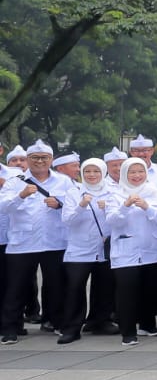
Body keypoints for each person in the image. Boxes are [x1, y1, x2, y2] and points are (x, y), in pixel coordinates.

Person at [0, 140, 71, 341]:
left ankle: (57, 322)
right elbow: (3, 207)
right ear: (28, 160)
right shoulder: (16, 181)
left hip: (54, 241)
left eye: (44, 158)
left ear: (51, 160)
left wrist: (59, 204)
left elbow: (75, 205)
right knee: (16, 287)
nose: (40, 161)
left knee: (57, 285)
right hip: (23, 243)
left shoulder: (63, 181)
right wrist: (20, 196)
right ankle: (10, 329)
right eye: (35, 158)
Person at [106, 159, 157, 345]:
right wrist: (125, 206)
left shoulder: (156, 193)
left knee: (151, 290)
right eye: (132, 172)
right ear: (125, 174)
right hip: (127, 251)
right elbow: (112, 221)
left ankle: (147, 325)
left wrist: (147, 207)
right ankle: (128, 332)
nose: (136, 175)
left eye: (140, 171)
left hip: (152, 248)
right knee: (127, 292)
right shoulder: (115, 194)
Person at [59, 157, 113, 344]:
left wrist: (108, 208)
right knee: (75, 287)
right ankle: (72, 327)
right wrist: (81, 206)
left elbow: (121, 217)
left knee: (104, 287)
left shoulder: (112, 191)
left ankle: (100, 321)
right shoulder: (74, 192)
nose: (91, 175)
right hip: (79, 248)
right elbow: (67, 220)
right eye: (88, 171)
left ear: (103, 172)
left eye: (96, 171)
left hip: (105, 248)